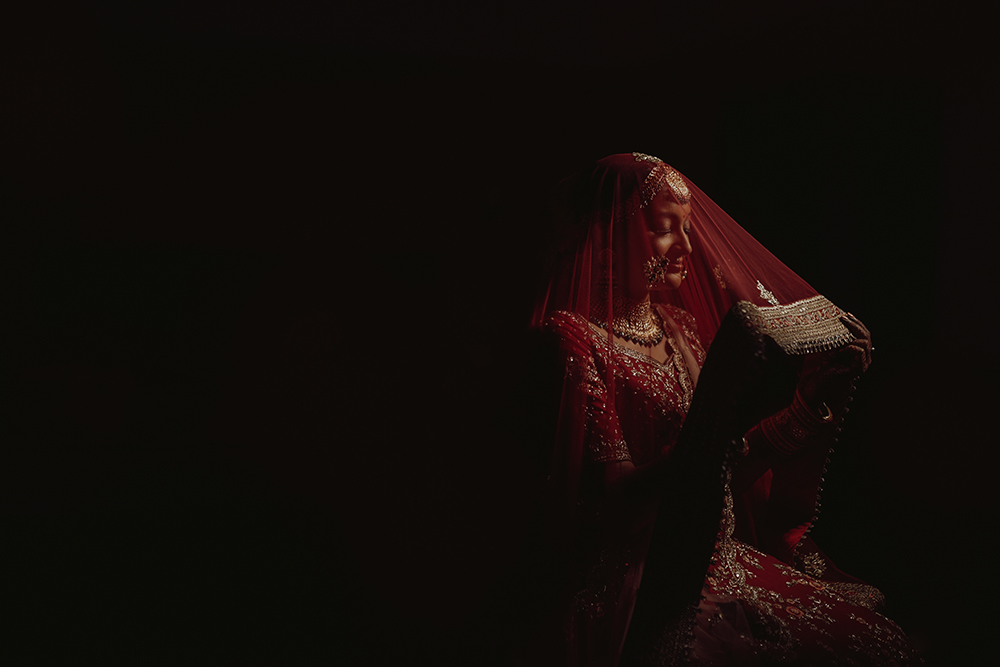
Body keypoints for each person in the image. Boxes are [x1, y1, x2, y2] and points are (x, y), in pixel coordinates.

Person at [527, 153, 920, 666]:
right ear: (607, 238)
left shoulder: (680, 330)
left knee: (882, 642)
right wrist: (712, 431)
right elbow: (617, 504)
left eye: (688, 229)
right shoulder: (573, 339)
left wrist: (807, 404)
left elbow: (724, 477)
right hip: (638, 576)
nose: (687, 247)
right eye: (665, 229)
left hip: (713, 559)